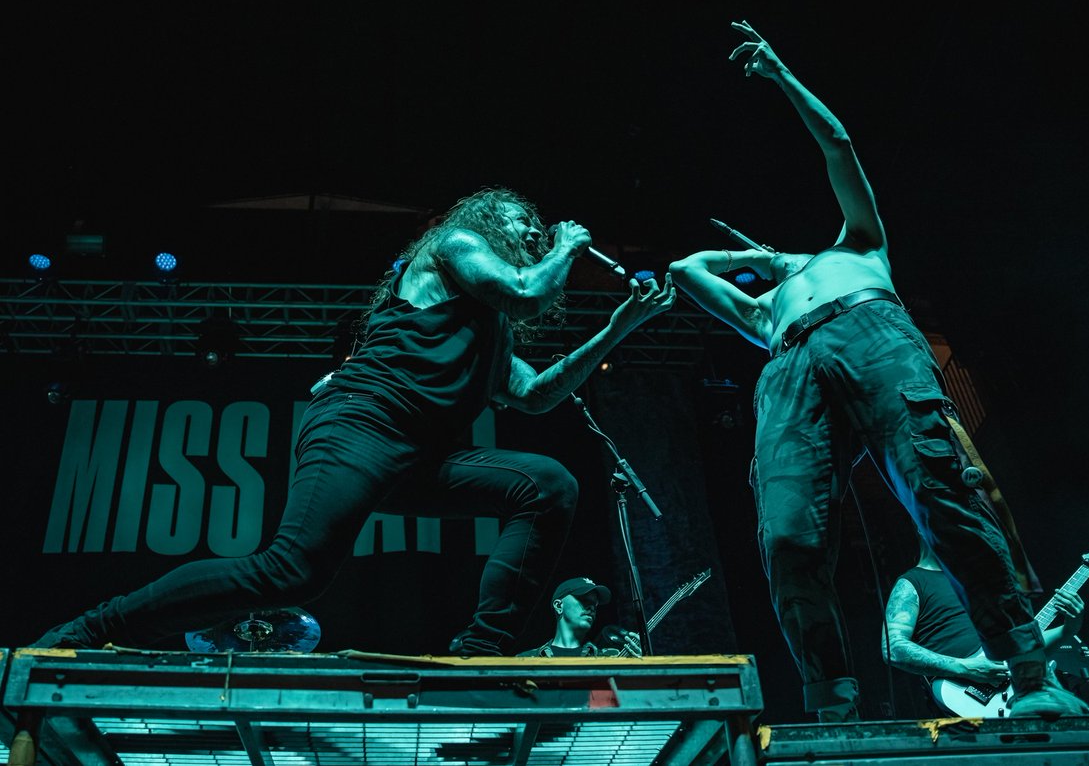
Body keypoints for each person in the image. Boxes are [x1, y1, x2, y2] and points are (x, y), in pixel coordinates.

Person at [32, 187, 676, 657]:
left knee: (548, 485)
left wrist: (621, 324)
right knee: (291, 573)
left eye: (540, 232)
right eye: (523, 223)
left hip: (419, 458)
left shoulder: (494, 330)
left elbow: (534, 395)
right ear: (485, 221)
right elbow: (528, 288)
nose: (534, 233)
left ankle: (482, 649)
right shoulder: (458, 246)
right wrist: (566, 246)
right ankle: (95, 629)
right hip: (360, 429)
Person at [668, 21, 1089, 720]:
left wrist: (779, 71)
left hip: (873, 331)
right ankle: (829, 698)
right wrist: (770, 266)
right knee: (788, 533)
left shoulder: (858, 244)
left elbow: (838, 145)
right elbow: (686, 270)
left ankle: (1029, 669)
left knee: (941, 492)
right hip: (790, 363)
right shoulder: (764, 307)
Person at [883, 537, 1084, 714]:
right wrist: (966, 668)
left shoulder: (981, 581)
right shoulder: (912, 583)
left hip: (1020, 696)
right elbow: (892, 647)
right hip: (962, 697)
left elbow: (1020, 644)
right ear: (923, 525)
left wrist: (1069, 628)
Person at [517, 576, 643, 657]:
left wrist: (638, 669)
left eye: (595, 604)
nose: (592, 607)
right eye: (583, 600)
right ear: (558, 606)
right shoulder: (526, 659)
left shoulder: (605, 659)